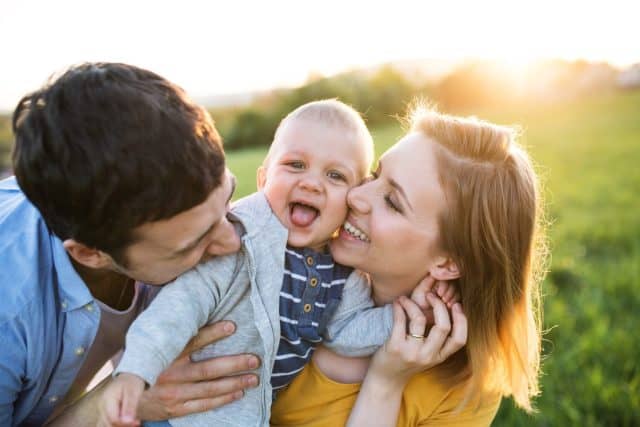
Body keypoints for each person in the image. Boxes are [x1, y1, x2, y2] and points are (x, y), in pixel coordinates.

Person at [99, 99, 463, 427]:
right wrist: (135, 373)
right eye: (295, 165)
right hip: (178, 418)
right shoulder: (238, 246)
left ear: (352, 197)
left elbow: (349, 331)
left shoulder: (340, 276)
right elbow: (176, 311)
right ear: (263, 179)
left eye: (335, 176)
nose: (312, 184)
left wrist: (411, 314)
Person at [0, 62, 263, 426]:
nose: (233, 241)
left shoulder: (163, 214)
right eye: (191, 244)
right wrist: (109, 405)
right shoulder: (9, 312)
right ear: (90, 254)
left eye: (227, 200)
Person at [270, 106, 545, 426]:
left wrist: (385, 383)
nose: (356, 195)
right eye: (375, 174)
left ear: (449, 262)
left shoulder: (461, 394)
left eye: (392, 202)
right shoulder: (291, 264)